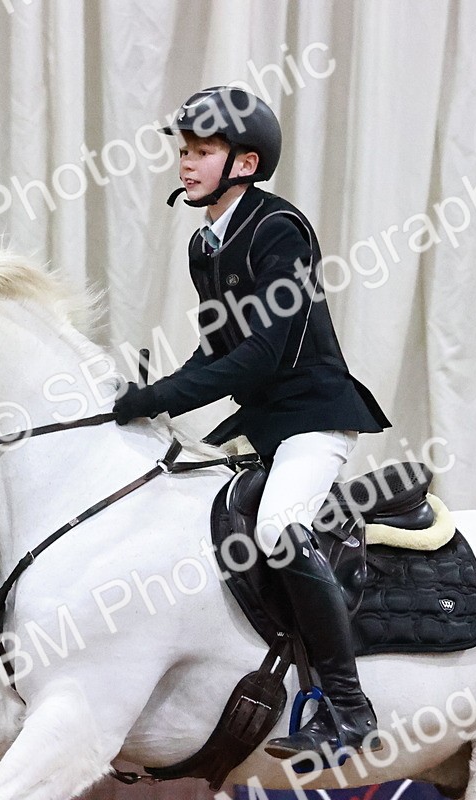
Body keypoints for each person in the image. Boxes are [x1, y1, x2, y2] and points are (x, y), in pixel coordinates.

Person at [113, 87, 392, 757]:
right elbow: (215, 348)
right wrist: (150, 400)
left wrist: (161, 398)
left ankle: (349, 709)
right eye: (183, 151)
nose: (185, 164)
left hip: (313, 418)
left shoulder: (277, 229)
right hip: (263, 420)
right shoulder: (207, 244)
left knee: (276, 529)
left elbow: (262, 353)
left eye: (201, 152)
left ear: (243, 162)